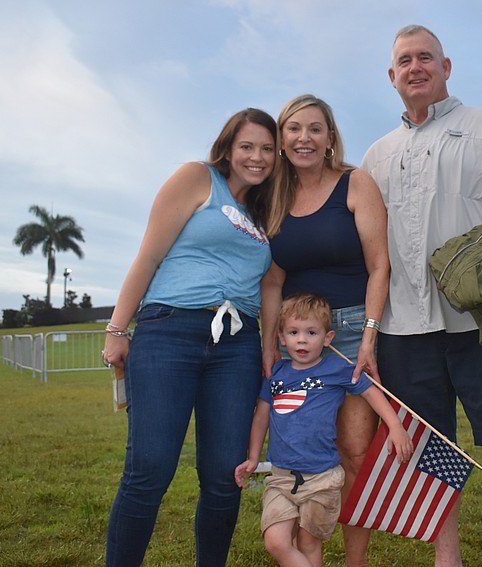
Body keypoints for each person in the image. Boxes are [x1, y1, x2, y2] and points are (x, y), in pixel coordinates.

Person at [362, 25, 482, 567]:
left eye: (426, 57)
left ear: (447, 66)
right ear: (391, 76)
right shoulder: (377, 155)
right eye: (404, 60)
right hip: (405, 328)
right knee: (431, 448)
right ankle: (448, 557)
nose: (415, 67)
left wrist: (477, 272)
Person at [101, 108, 277, 566]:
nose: (256, 157)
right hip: (169, 330)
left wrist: (268, 346)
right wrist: (118, 328)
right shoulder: (197, 179)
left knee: (224, 475)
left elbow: (270, 286)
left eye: (266, 149)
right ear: (228, 147)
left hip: (237, 344)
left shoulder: (265, 215)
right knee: (149, 470)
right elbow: (148, 256)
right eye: (247, 146)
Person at [260, 94, 390, 566]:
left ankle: (355, 560)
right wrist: (268, 345)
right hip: (294, 339)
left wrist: (370, 336)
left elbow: (380, 266)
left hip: (351, 332)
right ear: (281, 138)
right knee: (302, 448)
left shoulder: (355, 184)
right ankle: (307, 551)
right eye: (293, 129)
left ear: (330, 137)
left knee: (353, 451)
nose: (304, 138)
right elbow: (272, 280)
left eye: (315, 129)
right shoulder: (272, 197)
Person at [235, 293, 413, 567]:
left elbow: (371, 392)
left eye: (311, 332)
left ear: (328, 338)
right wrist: (253, 457)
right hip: (281, 477)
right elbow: (261, 415)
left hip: (322, 478)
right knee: (276, 542)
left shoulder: (336, 368)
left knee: (308, 544)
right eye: (294, 332)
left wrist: (395, 426)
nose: (302, 340)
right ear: (282, 338)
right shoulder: (276, 374)